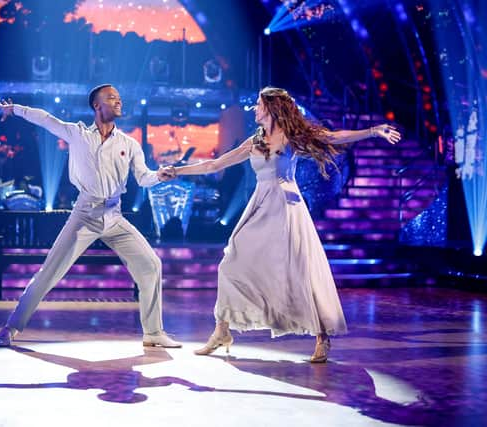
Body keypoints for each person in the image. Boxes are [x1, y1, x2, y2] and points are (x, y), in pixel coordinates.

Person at [172, 87, 401, 362]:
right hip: (260, 204)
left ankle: (321, 336)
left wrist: (373, 131)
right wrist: (176, 171)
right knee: (230, 264)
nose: (254, 108)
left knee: (300, 270)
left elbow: (331, 137)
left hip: (286, 205)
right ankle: (222, 330)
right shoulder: (255, 140)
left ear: (271, 107)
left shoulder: (292, 136)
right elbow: (215, 164)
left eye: (258, 104)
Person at [0, 84, 181, 348]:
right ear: (97, 105)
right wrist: (15, 109)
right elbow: (46, 119)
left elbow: (143, 177)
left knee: (151, 265)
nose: (118, 101)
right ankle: (12, 327)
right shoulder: (78, 134)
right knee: (50, 272)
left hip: (114, 215)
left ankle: (153, 333)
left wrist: (159, 176)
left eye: (119, 97)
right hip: (84, 214)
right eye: (111, 98)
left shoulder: (129, 144)